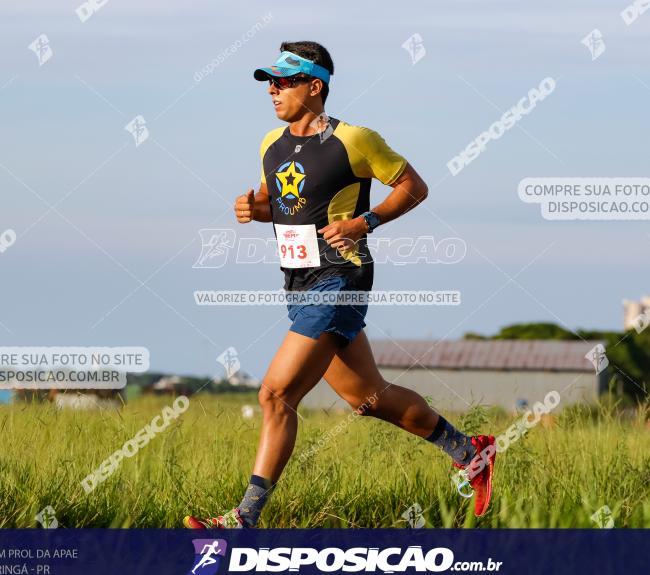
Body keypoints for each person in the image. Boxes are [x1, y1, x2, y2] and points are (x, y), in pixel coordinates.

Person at [183, 41, 495, 529]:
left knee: (275, 395)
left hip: (341, 277)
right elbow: (278, 205)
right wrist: (253, 209)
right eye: (269, 81)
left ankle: (242, 521)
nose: (273, 90)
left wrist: (363, 222)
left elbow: (415, 186)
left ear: (315, 86)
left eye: (284, 81)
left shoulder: (355, 139)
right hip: (298, 285)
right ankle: (469, 452)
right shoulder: (271, 143)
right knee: (367, 397)